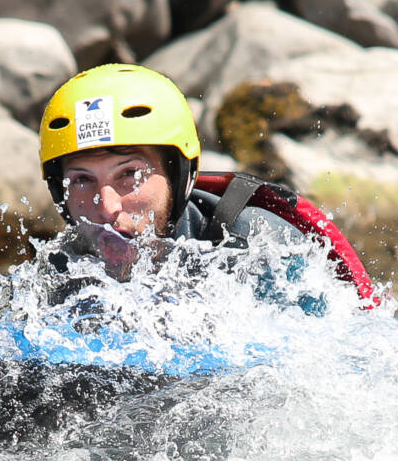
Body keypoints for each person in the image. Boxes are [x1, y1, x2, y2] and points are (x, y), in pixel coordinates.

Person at [35, 64, 378, 306]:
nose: (107, 207)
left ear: (179, 177)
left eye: (129, 174)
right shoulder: (58, 270)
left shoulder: (259, 248)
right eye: (81, 180)